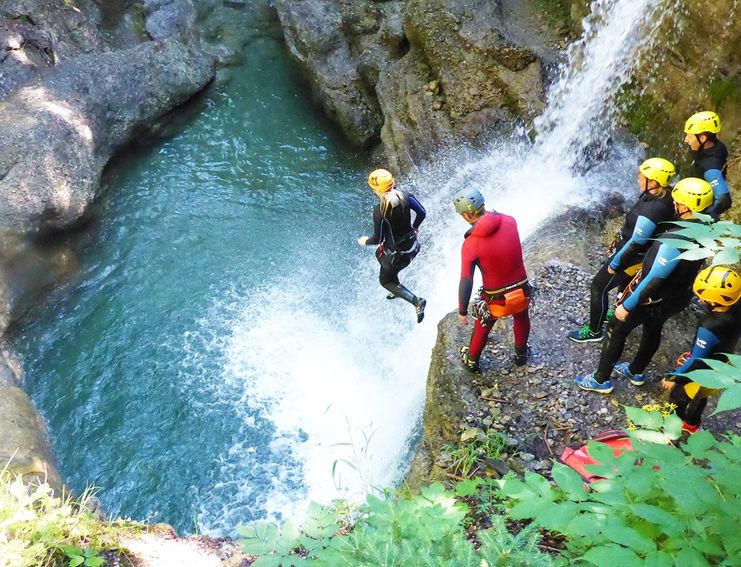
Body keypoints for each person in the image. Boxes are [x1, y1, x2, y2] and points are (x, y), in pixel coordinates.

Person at [574, 177, 715, 393]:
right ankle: (635, 370)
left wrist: (627, 305)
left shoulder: (674, 239)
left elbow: (655, 278)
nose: (674, 204)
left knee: (616, 329)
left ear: (686, 206)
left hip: (655, 297)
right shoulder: (705, 228)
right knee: (653, 328)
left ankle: (601, 380)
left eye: (677, 202)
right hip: (678, 296)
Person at [568, 157, 676, 342]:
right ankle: (617, 308)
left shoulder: (653, 210)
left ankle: (594, 332)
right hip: (641, 254)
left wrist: (615, 263)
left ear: (654, 182)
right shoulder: (666, 196)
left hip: (633, 257)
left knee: (598, 287)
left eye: (641, 177)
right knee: (624, 284)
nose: (638, 180)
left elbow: (636, 243)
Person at [454, 188, 530, 371]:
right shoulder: (510, 220)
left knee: (483, 320)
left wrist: (462, 310)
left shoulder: (470, 244)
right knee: (521, 315)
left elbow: (466, 280)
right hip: (522, 290)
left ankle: (472, 360)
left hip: (497, 299)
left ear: (467, 214)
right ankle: (521, 354)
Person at [662, 266, 741, 433]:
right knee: (702, 396)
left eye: (703, 298)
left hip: (702, 371)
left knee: (678, 398)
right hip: (722, 366)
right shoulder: (737, 303)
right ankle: (691, 424)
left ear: (713, 302)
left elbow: (697, 360)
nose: (700, 300)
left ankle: (671, 433)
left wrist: (675, 378)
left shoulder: (709, 326)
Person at [357, 168, 427, 323]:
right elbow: (422, 212)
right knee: (378, 254)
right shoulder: (407, 196)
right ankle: (397, 289)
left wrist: (364, 241)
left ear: (376, 189)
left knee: (386, 281)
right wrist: (415, 227)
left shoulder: (380, 211)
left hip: (397, 256)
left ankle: (417, 301)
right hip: (413, 247)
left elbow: (377, 239)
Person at [684, 111, 732, 219]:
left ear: (702, 138)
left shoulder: (710, 167)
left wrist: (700, 216)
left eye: (689, 136)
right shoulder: (717, 145)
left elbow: (724, 200)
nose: (686, 140)